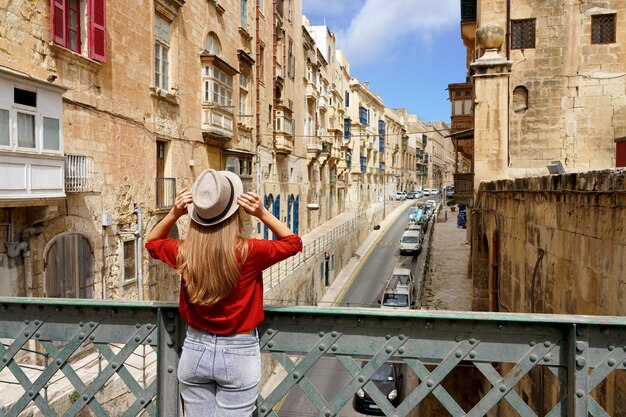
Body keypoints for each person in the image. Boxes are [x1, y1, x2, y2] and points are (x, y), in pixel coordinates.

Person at [145, 169, 302, 417]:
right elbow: (293, 243)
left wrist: (174, 213)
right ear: (235, 213)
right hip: (239, 352)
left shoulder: (184, 252)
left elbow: (152, 243)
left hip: (195, 349)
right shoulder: (249, 252)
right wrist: (261, 213)